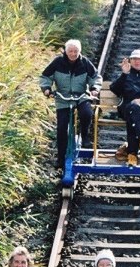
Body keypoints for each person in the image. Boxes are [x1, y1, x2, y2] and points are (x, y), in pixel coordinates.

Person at [40, 39, 101, 169]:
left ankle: (85, 136)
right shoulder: (57, 62)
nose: (73, 54)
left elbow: (95, 77)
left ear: (80, 51)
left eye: (76, 51)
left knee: (86, 113)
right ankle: (61, 158)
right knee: (62, 128)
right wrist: (46, 88)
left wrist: (94, 88)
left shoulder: (84, 63)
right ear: (66, 51)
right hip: (63, 97)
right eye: (70, 51)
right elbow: (45, 76)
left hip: (81, 95)